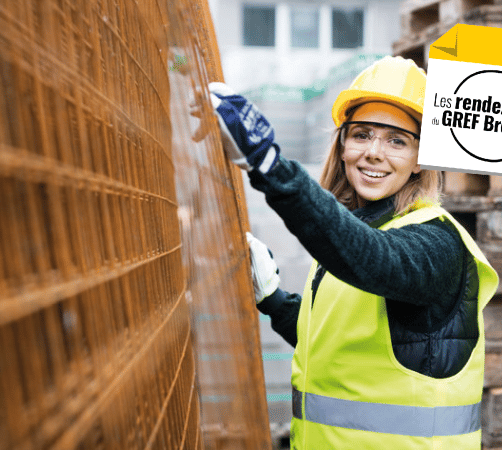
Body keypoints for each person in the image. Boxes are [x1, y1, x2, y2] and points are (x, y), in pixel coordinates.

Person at [208, 56, 499, 449]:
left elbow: (380, 260)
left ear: (419, 161)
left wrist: (270, 166)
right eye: (361, 134)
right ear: (342, 146)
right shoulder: (357, 233)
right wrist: (274, 299)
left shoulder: (438, 243)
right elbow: (336, 350)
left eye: (397, 140)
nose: (374, 152)